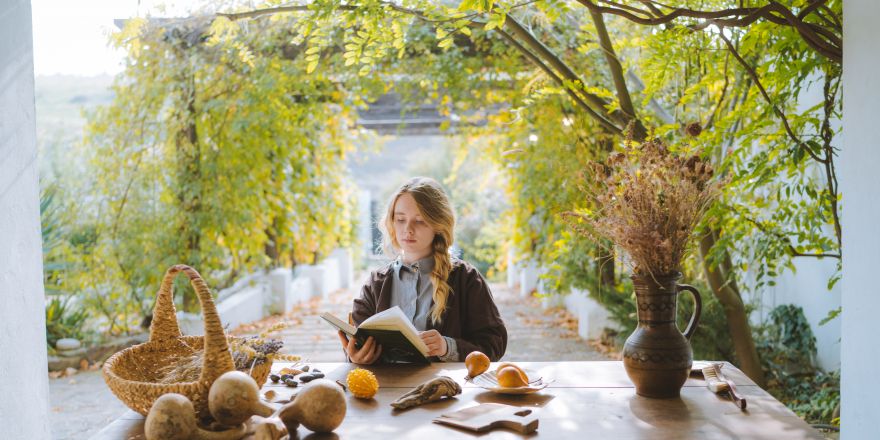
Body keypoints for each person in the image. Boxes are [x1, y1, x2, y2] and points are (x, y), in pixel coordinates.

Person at [338, 177, 508, 364]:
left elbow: (495, 344)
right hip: (384, 390)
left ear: (438, 225)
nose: (407, 229)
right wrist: (354, 356)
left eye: (420, 221)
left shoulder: (466, 279)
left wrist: (447, 347)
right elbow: (356, 345)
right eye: (400, 219)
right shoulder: (375, 284)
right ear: (391, 222)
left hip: (447, 391)